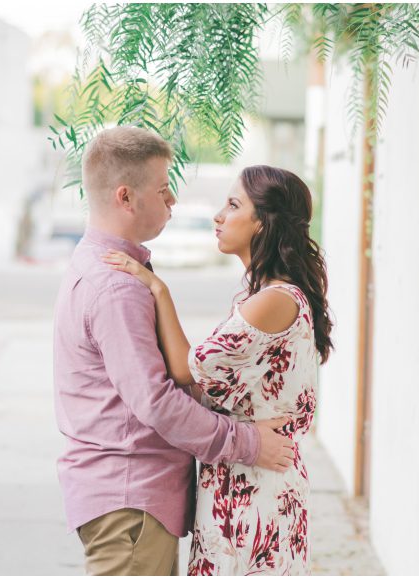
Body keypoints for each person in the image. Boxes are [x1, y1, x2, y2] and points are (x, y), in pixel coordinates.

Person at [53, 126, 296, 575]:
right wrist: (247, 442)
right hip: (130, 501)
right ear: (125, 198)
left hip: (129, 497)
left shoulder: (105, 266)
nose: (173, 201)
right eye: (164, 190)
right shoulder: (115, 287)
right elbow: (156, 401)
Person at [104, 164, 332, 575]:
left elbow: (185, 369)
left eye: (233, 205)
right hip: (243, 477)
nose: (218, 216)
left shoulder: (273, 300)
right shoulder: (260, 295)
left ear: (263, 222)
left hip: (256, 487)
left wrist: (158, 289)